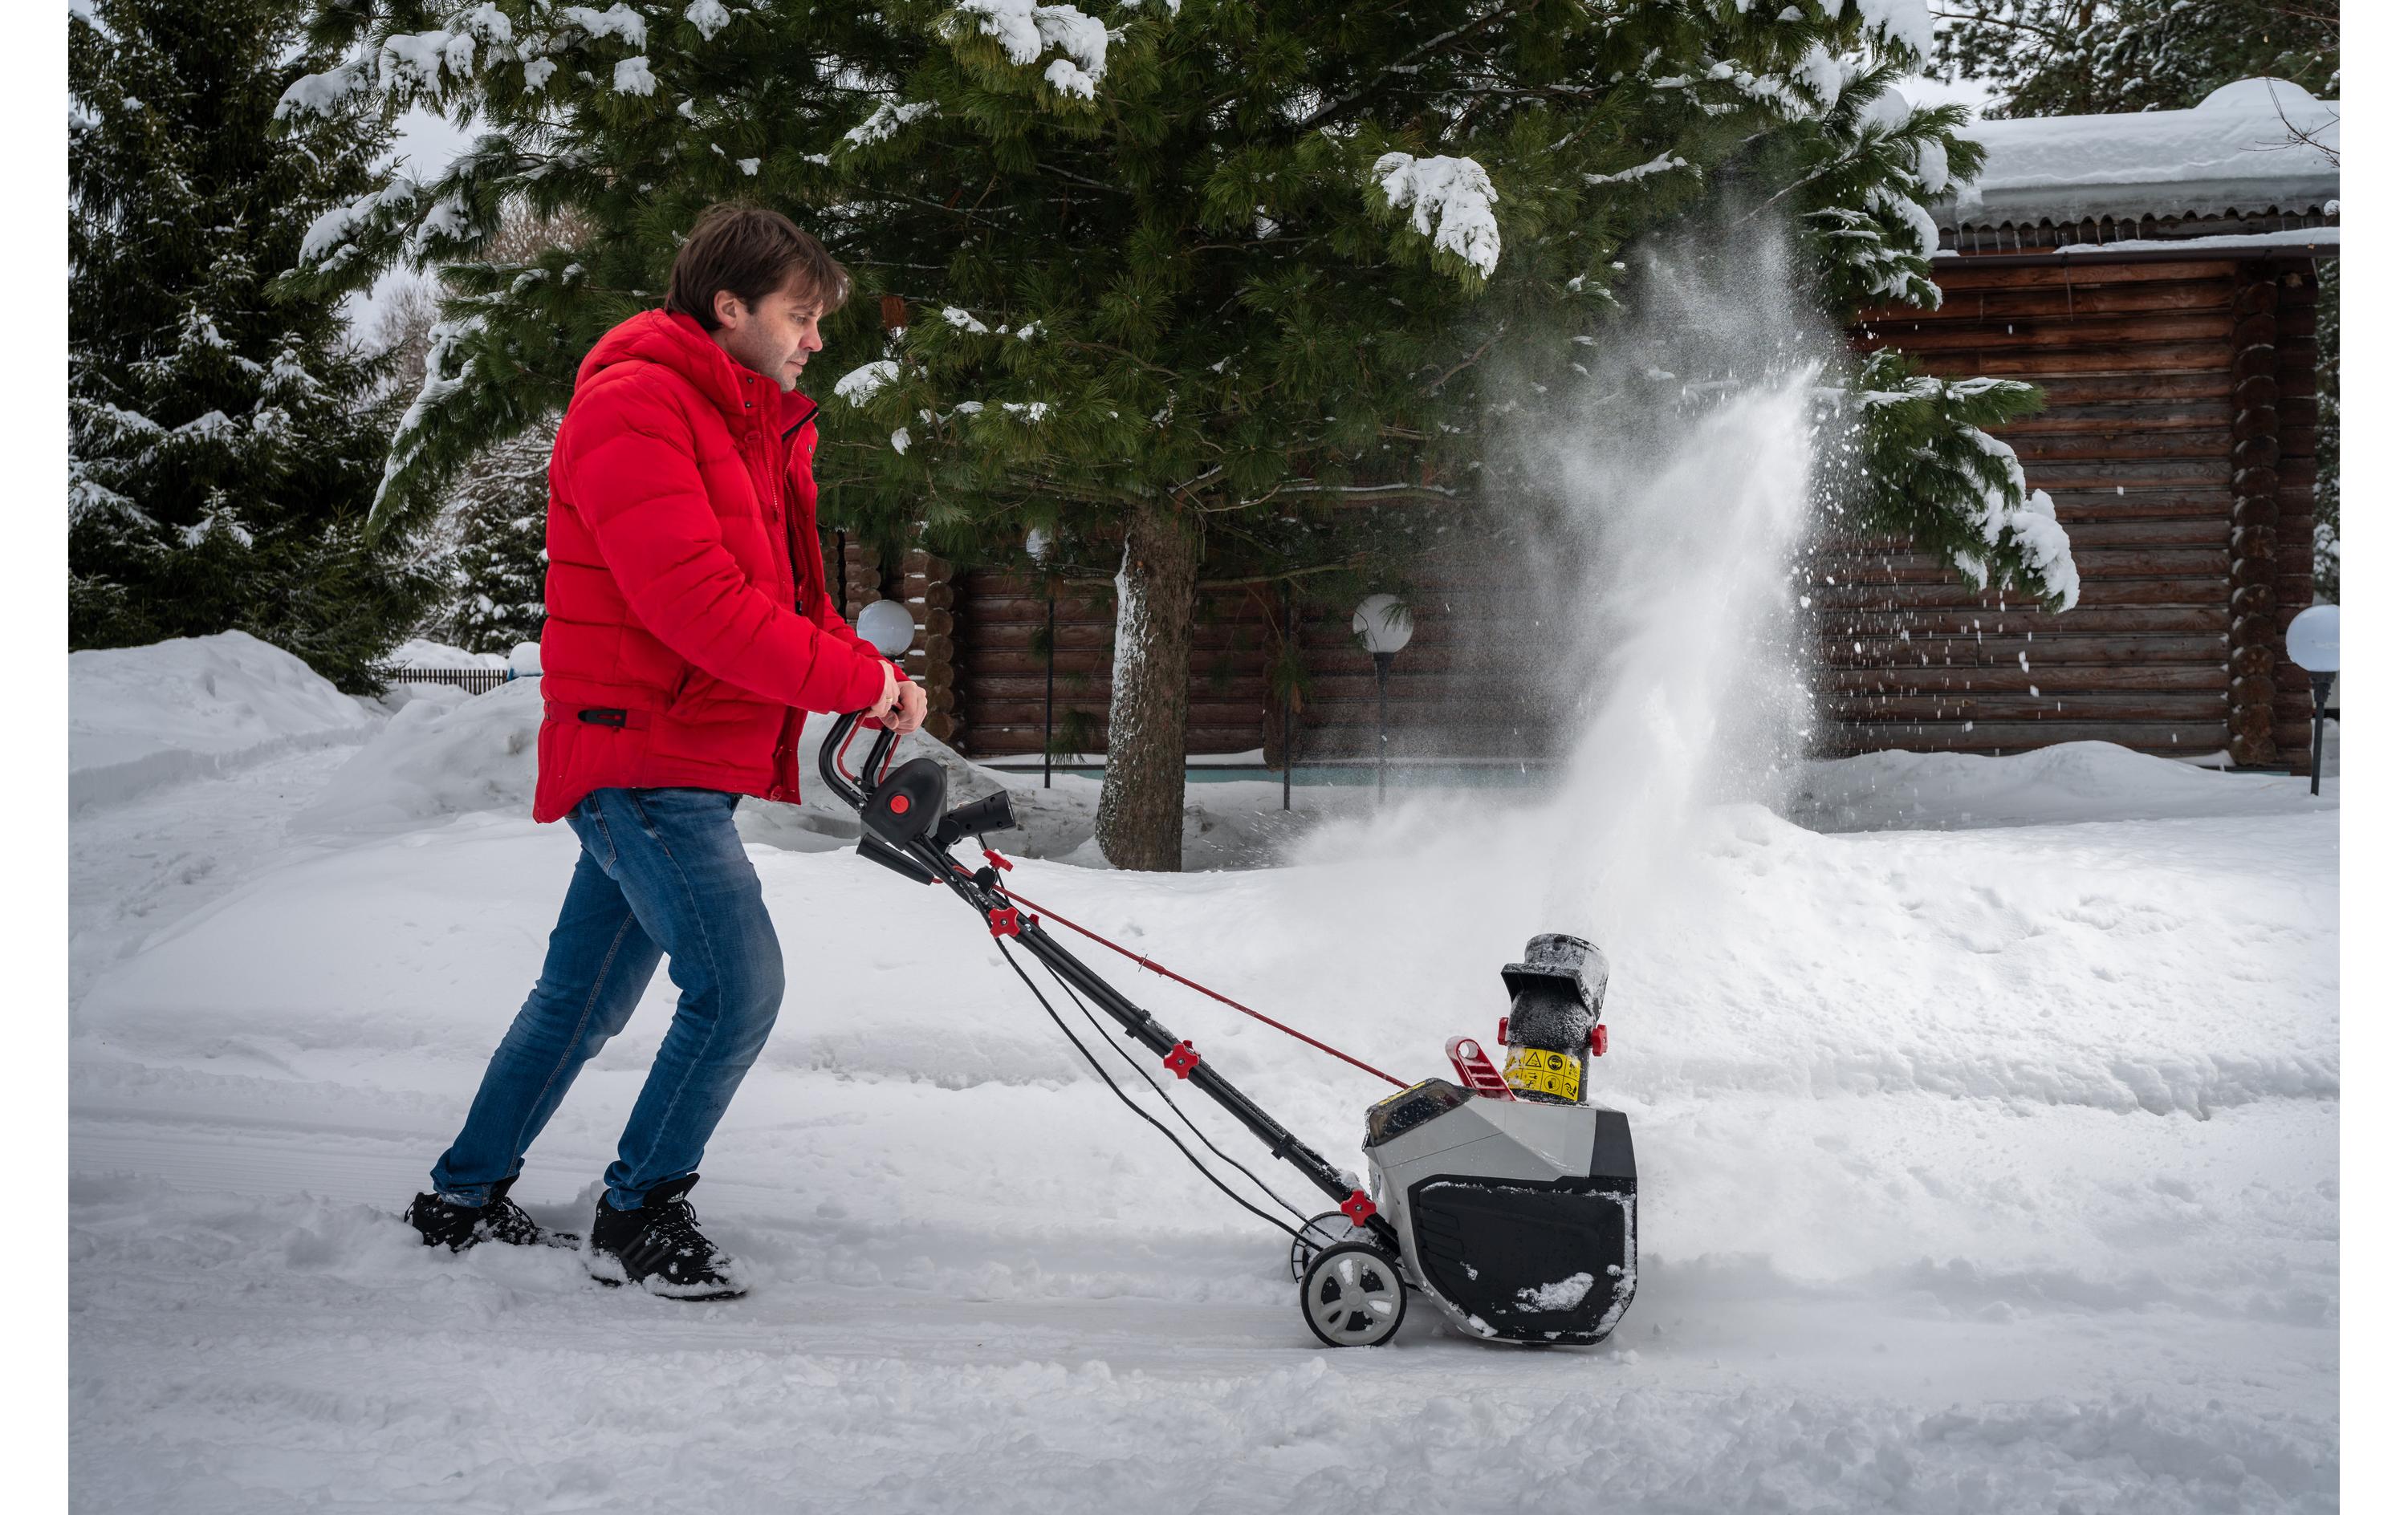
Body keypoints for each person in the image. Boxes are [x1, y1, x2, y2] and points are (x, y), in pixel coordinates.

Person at [401, 204, 925, 1300]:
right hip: (640, 757)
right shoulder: (636, 405)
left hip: (678, 755)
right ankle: (639, 1213)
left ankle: (462, 1197)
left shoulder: (749, 422)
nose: (815, 339)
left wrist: (866, 676)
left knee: (580, 1001)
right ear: (729, 307)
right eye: (799, 315)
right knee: (737, 989)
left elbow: (786, 601)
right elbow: (698, 608)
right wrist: (855, 683)